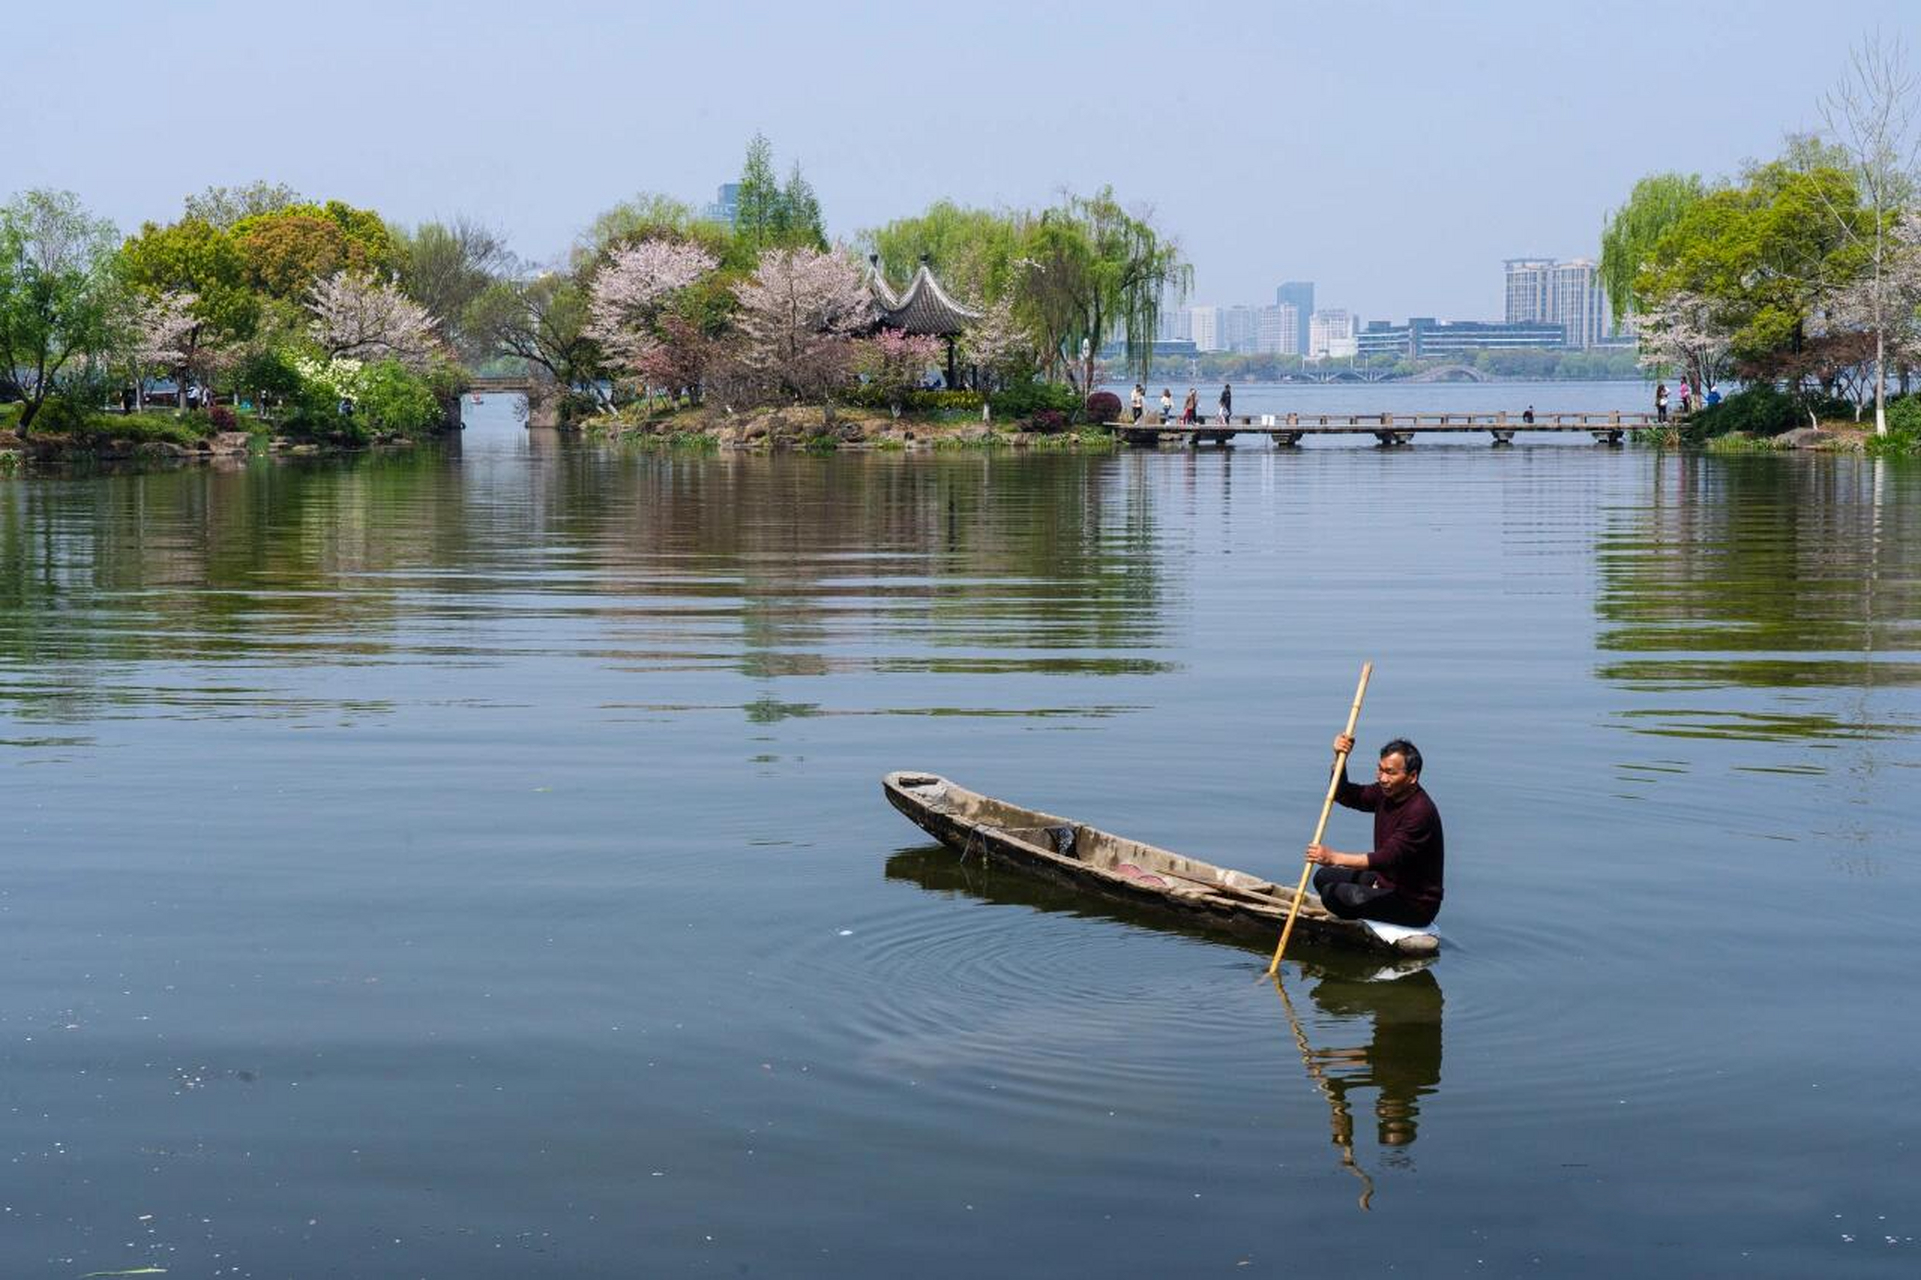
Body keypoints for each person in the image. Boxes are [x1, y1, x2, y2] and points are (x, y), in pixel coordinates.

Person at [1305, 735, 1444, 929]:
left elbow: (1386, 858)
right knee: (1323, 877)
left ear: (1412, 777)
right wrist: (1340, 758)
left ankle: (1366, 920)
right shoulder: (1385, 793)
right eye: (1380, 769)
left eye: (1390, 773)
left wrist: (1334, 857)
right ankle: (1372, 900)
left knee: (1331, 894)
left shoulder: (1420, 812)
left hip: (1414, 904)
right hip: (1386, 882)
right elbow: (1343, 794)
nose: (1383, 778)